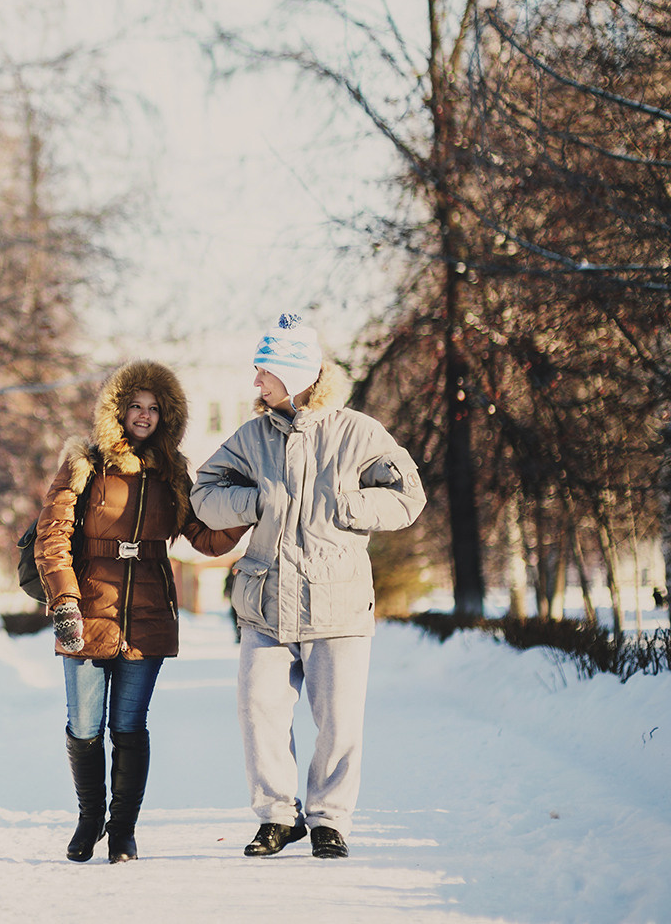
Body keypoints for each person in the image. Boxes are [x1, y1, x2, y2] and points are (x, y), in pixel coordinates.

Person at [191, 313, 426, 861]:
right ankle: (277, 817)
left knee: (339, 722)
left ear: (296, 373)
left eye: (264, 371)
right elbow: (204, 493)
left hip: (337, 603)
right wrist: (255, 501)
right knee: (259, 713)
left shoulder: (359, 432)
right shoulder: (251, 437)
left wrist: (346, 506)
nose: (256, 382)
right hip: (266, 603)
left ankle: (329, 820)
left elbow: (407, 496)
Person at [34, 361, 248, 864]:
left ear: (167, 415)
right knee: (85, 726)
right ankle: (90, 819)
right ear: (117, 410)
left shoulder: (173, 472)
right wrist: (64, 602)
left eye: (154, 408)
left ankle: (123, 830)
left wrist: (246, 511)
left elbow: (203, 537)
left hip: (148, 613)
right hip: (87, 609)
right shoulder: (85, 463)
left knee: (129, 727)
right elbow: (52, 534)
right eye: (135, 406)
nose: (144, 415)